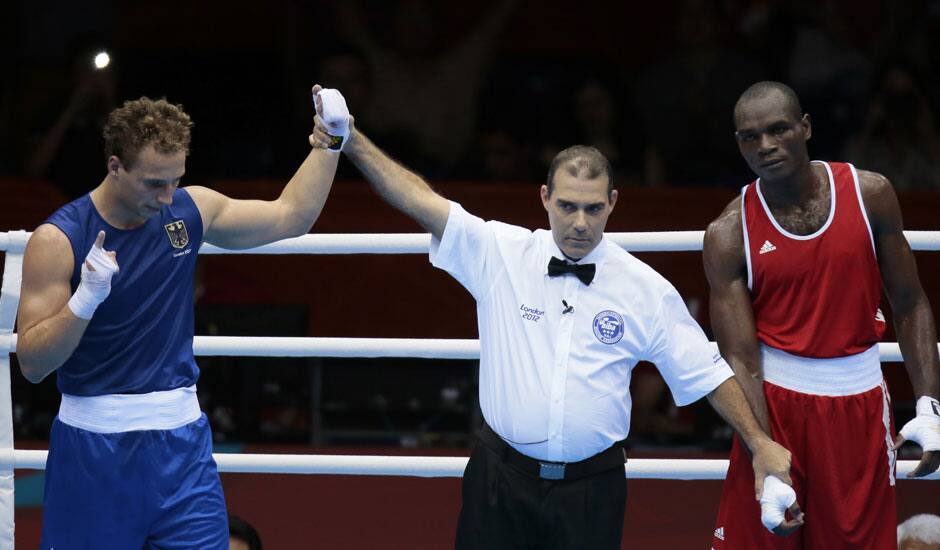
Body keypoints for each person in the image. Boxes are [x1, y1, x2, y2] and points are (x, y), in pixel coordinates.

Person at [310, 93, 799, 549]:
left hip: (592, 488)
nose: (580, 222)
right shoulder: (501, 251)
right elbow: (418, 199)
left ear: (612, 203)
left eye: (591, 208)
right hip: (499, 477)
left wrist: (759, 444)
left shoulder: (644, 289)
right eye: (567, 206)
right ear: (545, 198)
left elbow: (706, 372)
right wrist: (350, 137)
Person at [15, 86, 349, 548]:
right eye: (154, 183)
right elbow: (32, 364)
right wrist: (84, 301)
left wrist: (330, 140)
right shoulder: (58, 239)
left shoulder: (190, 209)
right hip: (94, 447)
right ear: (115, 166)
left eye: (176, 179)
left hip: (182, 445)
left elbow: (291, 216)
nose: (168, 196)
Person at [705, 81, 940, 549]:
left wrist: (930, 404)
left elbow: (910, 300)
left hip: (860, 405)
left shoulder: (869, 194)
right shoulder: (729, 233)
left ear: (805, 127)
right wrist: (760, 448)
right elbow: (740, 357)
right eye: (750, 137)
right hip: (775, 406)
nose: (766, 146)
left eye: (778, 130)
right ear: (739, 145)